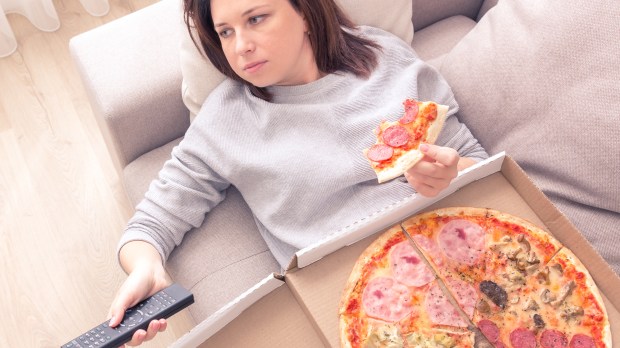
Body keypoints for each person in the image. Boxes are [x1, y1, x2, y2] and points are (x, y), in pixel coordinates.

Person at [107, 0, 489, 345]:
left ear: (304, 11)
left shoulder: (384, 53)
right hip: (357, 304)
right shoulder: (225, 118)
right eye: (226, 32)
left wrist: (450, 174)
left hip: (456, 254)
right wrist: (146, 266)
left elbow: (475, 160)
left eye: (256, 19)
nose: (241, 46)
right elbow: (153, 220)